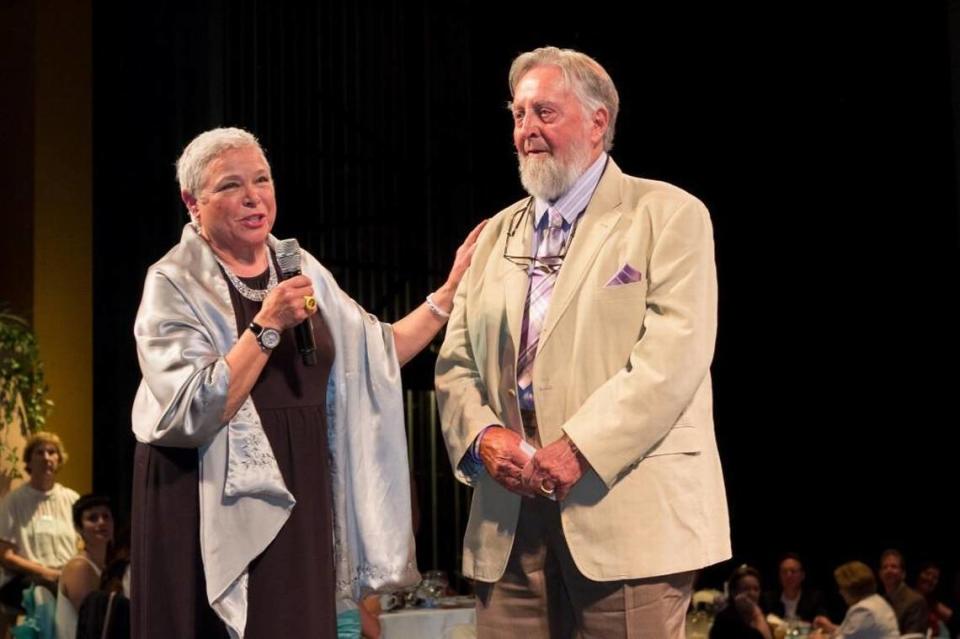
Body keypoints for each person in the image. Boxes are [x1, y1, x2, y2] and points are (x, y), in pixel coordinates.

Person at [130, 127, 483, 639]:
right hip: (207, 496)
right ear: (193, 202)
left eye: (262, 179)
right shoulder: (172, 282)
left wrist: (447, 296)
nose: (254, 196)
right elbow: (192, 408)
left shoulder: (298, 267)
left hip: (303, 488)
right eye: (231, 185)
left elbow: (376, 354)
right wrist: (267, 324)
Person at [435, 46, 729, 638]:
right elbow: (455, 362)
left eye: (545, 112)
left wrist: (581, 446)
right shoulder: (495, 235)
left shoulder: (667, 213)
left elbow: (673, 356)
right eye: (518, 115)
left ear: (599, 123)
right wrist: (482, 436)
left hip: (626, 513)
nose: (527, 131)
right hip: (509, 519)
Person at [0, 432, 78, 622]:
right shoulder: (14, 501)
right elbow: (5, 556)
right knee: (46, 593)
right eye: (39, 452)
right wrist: (47, 572)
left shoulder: (72, 499)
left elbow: (83, 546)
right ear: (28, 461)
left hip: (65, 577)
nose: (46, 458)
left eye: (52, 452)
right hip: (25, 579)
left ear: (59, 460)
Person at [55, 494, 114, 639]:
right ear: (78, 528)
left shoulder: (106, 565)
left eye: (106, 516)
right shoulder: (79, 567)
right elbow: (93, 626)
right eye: (93, 518)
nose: (101, 522)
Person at [811, 561, 898, 639]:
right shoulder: (877, 601)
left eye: (842, 587)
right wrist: (831, 628)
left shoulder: (863, 610)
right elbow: (852, 634)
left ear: (851, 589)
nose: (840, 592)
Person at [710, 565, 773, 639]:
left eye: (756, 589)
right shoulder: (725, 620)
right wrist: (757, 613)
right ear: (734, 592)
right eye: (746, 589)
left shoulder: (765, 615)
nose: (752, 594)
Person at [762, 553, 828, 623]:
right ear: (779, 576)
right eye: (784, 572)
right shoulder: (768, 600)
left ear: (802, 575)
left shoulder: (815, 599)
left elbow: (821, 624)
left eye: (793, 571)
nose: (788, 575)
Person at [878, 549, 928, 634]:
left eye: (894, 567)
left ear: (903, 574)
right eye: (885, 567)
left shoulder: (916, 601)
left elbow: (913, 637)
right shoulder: (879, 601)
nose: (889, 570)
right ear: (880, 574)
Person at [914, 562, 953, 637]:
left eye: (935, 577)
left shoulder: (933, 603)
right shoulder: (907, 597)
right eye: (927, 573)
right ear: (919, 574)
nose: (930, 579)